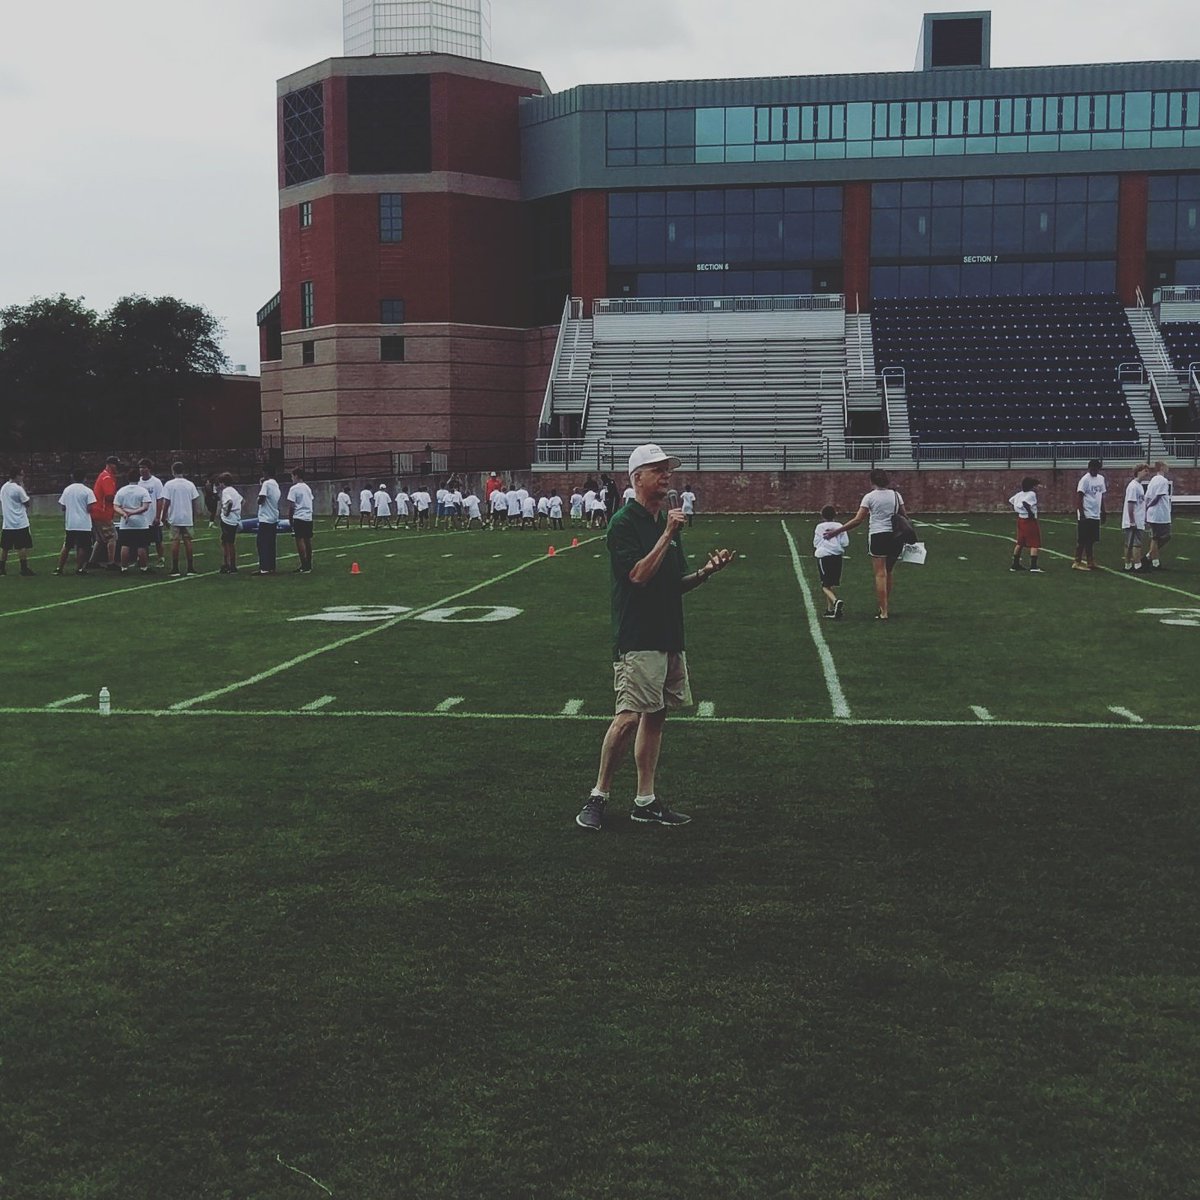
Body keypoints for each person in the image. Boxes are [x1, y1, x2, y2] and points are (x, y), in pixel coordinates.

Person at [576, 443, 735, 832]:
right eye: (657, 469)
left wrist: (705, 573)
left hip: (668, 634)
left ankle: (644, 800)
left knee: (657, 716)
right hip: (638, 635)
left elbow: (671, 583)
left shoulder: (667, 521)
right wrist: (667, 533)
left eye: (667, 469)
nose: (666, 475)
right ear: (636, 478)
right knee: (628, 716)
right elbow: (637, 576)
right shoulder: (625, 523)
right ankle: (598, 795)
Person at [823, 469, 909, 621]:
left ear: (872, 481)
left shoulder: (869, 497)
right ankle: (884, 606)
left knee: (880, 573)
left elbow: (857, 520)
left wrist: (836, 531)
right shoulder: (896, 495)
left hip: (878, 535)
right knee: (888, 571)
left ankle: (884, 611)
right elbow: (904, 515)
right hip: (895, 536)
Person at [162, 461, 202, 576]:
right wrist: (194, 515)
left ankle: (175, 568)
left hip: (174, 516)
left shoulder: (169, 485)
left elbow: (166, 502)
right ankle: (190, 567)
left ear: (173, 471)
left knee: (175, 541)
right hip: (187, 516)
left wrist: (163, 516)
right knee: (188, 541)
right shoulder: (190, 484)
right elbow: (195, 502)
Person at [55, 469, 97, 575]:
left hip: (71, 523)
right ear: (84, 478)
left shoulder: (67, 490)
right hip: (83, 524)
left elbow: (63, 506)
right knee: (83, 546)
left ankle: (59, 568)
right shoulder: (87, 491)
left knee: (67, 545)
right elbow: (90, 508)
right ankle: (79, 568)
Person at [113, 468, 154, 574]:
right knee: (141, 545)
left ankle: (124, 568)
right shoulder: (142, 491)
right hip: (140, 523)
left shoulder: (122, 491)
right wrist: (134, 512)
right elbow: (145, 507)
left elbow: (116, 506)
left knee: (125, 545)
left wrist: (124, 513)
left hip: (126, 523)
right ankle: (144, 567)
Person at [813, 505, 848, 619]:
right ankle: (829, 610)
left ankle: (835, 601)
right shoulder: (840, 526)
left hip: (824, 556)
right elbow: (845, 543)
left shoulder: (819, 527)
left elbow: (816, 542)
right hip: (837, 557)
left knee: (825, 585)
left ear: (822, 515)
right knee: (830, 584)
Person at [87, 455, 121, 571]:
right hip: (103, 512)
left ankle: (92, 561)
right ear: (111, 465)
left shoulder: (103, 475)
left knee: (100, 539)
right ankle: (111, 562)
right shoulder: (107, 477)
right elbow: (109, 496)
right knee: (112, 536)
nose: (117, 468)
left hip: (97, 512)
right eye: (116, 465)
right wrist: (119, 501)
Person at [0, 467, 35, 576]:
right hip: (20, 522)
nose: (22, 477)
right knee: (22, 546)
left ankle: (1, 568)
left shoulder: (4, 487)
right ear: (16, 476)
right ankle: (24, 569)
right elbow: (27, 502)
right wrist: (22, 486)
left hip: (7, 523)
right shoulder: (18, 489)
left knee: (5, 547)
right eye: (21, 475)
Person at [1073, 459, 1107, 572]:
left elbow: (1101, 496)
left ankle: (1090, 561)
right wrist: (1081, 513)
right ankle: (1077, 561)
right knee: (1082, 539)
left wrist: (1103, 511)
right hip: (1086, 513)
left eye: (1097, 469)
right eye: (1093, 469)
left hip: (1095, 513)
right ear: (1089, 468)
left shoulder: (1101, 479)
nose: (1095, 471)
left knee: (1091, 540)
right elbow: (1079, 497)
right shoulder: (1085, 480)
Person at [1007, 476, 1043, 573]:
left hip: (1020, 519)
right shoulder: (1031, 494)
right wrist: (1030, 513)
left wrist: (1019, 510)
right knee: (1034, 543)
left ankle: (1015, 564)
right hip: (1029, 520)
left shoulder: (1019, 494)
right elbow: (1026, 503)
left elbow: (1011, 500)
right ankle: (1033, 566)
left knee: (1020, 542)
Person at [1121, 464, 1151, 573]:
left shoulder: (1139, 486)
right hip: (1133, 520)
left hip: (1138, 519)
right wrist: (1132, 520)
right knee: (1133, 543)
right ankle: (1135, 564)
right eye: (1145, 471)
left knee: (1134, 543)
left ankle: (1130, 564)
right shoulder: (1133, 486)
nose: (1147, 473)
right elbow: (1130, 504)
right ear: (1138, 471)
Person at [1145, 461, 1174, 570]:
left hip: (1155, 513)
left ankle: (1151, 556)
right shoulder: (1163, 480)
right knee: (1159, 537)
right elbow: (1157, 497)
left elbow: (1148, 496)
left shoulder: (1153, 480)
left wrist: (1147, 507)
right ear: (1161, 467)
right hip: (1160, 513)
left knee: (1157, 537)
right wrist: (1149, 506)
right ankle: (1154, 560)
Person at [286, 468, 315, 573]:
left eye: (292, 476)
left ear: (296, 476)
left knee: (299, 540)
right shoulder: (307, 488)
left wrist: (290, 519)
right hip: (308, 516)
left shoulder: (294, 489)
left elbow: (292, 505)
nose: (292, 478)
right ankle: (309, 564)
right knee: (307, 540)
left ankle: (304, 564)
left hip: (299, 516)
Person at [138, 459, 167, 566]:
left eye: (144, 467)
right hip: (142, 517)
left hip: (153, 515)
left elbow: (160, 499)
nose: (141, 470)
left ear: (149, 468)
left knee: (158, 540)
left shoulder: (156, 482)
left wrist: (158, 516)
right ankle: (142, 559)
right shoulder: (138, 482)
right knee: (142, 541)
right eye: (140, 467)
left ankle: (161, 558)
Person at [257, 470, 282, 574]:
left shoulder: (266, 484)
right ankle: (271, 566)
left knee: (262, 543)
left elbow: (261, 499)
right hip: (273, 517)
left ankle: (264, 568)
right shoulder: (276, 485)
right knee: (271, 543)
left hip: (265, 517)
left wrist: (258, 498)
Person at [218, 473, 242, 573]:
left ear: (223, 483)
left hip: (228, 520)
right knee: (226, 541)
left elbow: (230, 502)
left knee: (228, 543)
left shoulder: (226, 491)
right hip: (235, 518)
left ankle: (230, 565)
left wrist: (226, 512)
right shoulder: (234, 490)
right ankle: (228, 564)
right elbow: (242, 501)